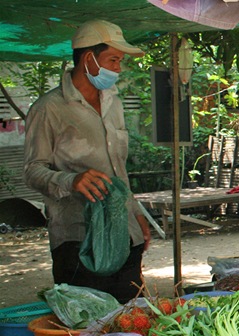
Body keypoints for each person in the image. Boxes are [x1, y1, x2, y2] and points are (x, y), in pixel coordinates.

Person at [23, 19, 150, 303]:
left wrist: (136, 214)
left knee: (131, 320)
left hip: (122, 233)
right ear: (88, 58)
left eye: (120, 61)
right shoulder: (48, 109)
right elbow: (32, 170)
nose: (117, 68)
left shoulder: (113, 103)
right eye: (113, 60)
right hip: (77, 240)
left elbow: (119, 170)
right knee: (86, 329)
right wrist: (70, 181)